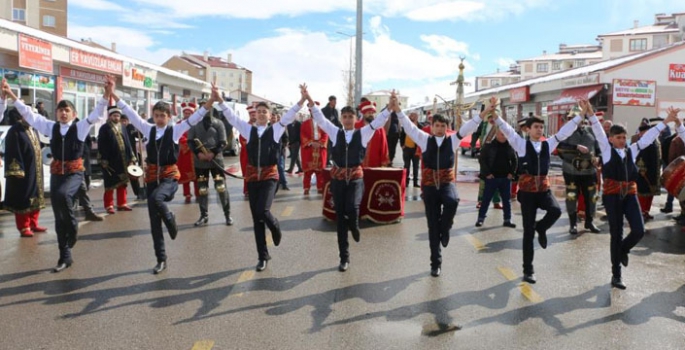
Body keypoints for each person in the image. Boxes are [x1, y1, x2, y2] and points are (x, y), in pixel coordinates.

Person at [2, 78, 109, 273]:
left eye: (67, 110)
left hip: (75, 173)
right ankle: (64, 256)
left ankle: (74, 225)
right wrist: (10, 94)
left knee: (61, 195)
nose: (63, 112)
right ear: (56, 113)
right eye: (60, 110)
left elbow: (96, 114)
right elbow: (28, 114)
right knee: (59, 217)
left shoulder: (81, 127)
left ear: (74, 114)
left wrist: (106, 94)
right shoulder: (50, 127)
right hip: (57, 173)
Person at [110, 77, 212, 274]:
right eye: (156, 115)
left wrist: (211, 102)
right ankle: (161, 259)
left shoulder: (175, 131)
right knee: (153, 222)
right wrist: (114, 94)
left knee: (158, 199)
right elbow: (130, 113)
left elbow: (196, 117)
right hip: (151, 178)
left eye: (162, 115)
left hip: (169, 176)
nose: (158, 119)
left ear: (168, 116)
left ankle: (170, 217)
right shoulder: (148, 129)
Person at [587, 101, 681, 289]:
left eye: (624, 137)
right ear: (611, 139)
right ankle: (616, 275)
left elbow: (649, 137)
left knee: (638, 230)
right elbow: (598, 131)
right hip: (612, 196)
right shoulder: (606, 151)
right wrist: (590, 115)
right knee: (616, 233)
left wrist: (667, 121)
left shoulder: (633, 150)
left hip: (630, 194)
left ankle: (623, 249)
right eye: (619, 137)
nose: (622, 140)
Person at [216, 84, 306, 272]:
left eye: (265, 111)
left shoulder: (276, 129)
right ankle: (262, 256)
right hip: (252, 177)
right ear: (255, 114)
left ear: (269, 115)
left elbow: (289, 115)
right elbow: (232, 118)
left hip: (269, 175)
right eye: (259, 111)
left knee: (263, 211)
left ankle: (275, 226)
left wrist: (302, 100)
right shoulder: (248, 130)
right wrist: (220, 100)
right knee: (256, 219)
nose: (262, 114)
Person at [493, 97, 582, 284]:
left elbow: (564, 132)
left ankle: (541, 228)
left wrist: (580, 116)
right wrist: (495, 115)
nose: (539, 130)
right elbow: (508, 131)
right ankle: (528, 270)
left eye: (541, 127)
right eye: (536, 127)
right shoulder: (520, 144)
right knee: (527, 233)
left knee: (556, 210)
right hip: (527, 192)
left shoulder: (548, 144)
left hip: (543, 190)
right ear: (528, 129)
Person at [307, 89, 391, 272]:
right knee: (340, 218)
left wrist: (389, 109)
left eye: (350, 117)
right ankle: (344, 257)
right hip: (337, 179)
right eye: (344, 116)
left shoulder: (363, 133)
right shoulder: (334, 132)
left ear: (355, 118)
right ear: (341, 119)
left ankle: (355, 226)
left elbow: (378, 122)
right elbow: (320, 119)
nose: (347, 120)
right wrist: (310, 100)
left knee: (352, 209)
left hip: (355, 179)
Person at [397, 104, 484, 277]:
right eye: (437, 125)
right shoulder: (424, 139)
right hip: (429, 186)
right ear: (432, 126)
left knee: (452, 201)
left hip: (446, 183)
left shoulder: (452, 140)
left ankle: (446, 227)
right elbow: (408, 126)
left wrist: (482, 115)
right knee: (432, 226)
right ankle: (435, 263)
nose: (439, 129)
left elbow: (468, 128)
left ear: (446, 128)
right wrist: (398, 111)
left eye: (443, 126)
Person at [3, 104, 47, 237]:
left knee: (36, 196)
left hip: (36, 169)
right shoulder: (15, 131)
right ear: (22, 115)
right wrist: (18, 170)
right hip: (23, 171)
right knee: (24, 198)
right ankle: (24, 226)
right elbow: (13, 152)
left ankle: (34, 223)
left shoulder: (34, 129)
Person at [188, 104, 234, 227]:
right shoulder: (194, 123)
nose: (206, 110)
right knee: (202, 190)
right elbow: (190, 141)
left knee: (221, 187)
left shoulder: (218, 123)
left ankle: (227, 214)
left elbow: (223, 142)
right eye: (204, 107)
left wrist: (213, 153)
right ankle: (204, 215)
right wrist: (199, 154)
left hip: (216, 160)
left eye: (208, 107)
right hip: (200, 161)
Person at [556, 112, 602, 234]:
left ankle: (590, 221)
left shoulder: (591, 131)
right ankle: (573, 224)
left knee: (592, 197)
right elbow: (559, 148)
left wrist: (598, 158)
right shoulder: (565, 131)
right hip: (571, 170)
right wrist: (576, 147)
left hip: (589, 170)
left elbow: (598, 148)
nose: (576, 120)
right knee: (572, 197)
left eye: (579, 118)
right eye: (572, 118)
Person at [476, 128, 518, 228]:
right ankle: (480, 219)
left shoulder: (510, 146)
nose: (503, 135)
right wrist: (487, 174)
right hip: (492, 178)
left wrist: (512, 173)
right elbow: (482, 160)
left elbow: (515, 160)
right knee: (486, 199)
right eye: (501, 133)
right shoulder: (489, 145)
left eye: (505, 134)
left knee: (506, 201)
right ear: (497, 134)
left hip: (505, 178)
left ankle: (507, 220)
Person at [98, 106, 136, 214]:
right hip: (110, 160)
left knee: (123, 183)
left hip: (123, 160)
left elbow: (128, 142)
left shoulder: (122, 127)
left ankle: (122, 203)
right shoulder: (104, 128)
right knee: (110, 184)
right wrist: (104, 159)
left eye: (118, 115)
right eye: (114, 115)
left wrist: (132, 157)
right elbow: (102, 145)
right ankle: (109, 205)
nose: (116, 117)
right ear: (110, 116)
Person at [634, 119, 662, 221]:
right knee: (643, 193)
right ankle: (641, 212)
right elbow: (640, 157)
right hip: (644, 172)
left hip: (654, 171)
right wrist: (642, 169)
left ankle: (646, 211)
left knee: (650, 194)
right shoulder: (643, 141)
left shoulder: (655, 140)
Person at [300, 107, 328, 195]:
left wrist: (320, 143)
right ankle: (306, 187)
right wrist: (310, 142)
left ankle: (320, 187)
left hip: (320, 148)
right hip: (309, 148)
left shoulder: (323, 123)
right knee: (308, 171)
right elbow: (302, 134)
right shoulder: (305, 123)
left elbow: (326, 134)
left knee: (320, 171)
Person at [356, 101, 390, 167]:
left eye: (372, 113)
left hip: (374, 164)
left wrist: (383, 161)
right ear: (363, 113)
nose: (371, 115)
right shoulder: (356, 126)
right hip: (357, 165)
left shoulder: (379, 128)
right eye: (369, 113)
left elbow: (384, 145)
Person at [178, 102, 199, 204]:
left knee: (197, 175)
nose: (187, 115)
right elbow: (178, 135)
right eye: (185, 113)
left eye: (189, 113)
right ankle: (187, 194)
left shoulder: (197, 124)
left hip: (195, 152)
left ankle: (198, 193)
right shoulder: (179, 124)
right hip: (185, 153)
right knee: (185, 175)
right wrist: (187, 143)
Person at [121, 114, 145, 200]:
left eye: (125, 121)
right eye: (122, 121)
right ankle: (123, 195)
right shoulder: (118, 128)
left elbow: (140, 136)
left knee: (133, 175)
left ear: (127, 121)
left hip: (131, 155)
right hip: (121, 156)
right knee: (122, 177)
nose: (123, 123)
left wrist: (139, 130)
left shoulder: (130, 127)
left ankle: (138, 192)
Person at [400, 111, 421, 188]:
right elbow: (401, 135)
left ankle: (415, 182)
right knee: (406, 166)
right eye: (411, 115)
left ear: (417, 117)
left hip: (416, 150)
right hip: (406, 149)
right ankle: (406, 182)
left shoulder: (420, 126)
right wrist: (402, 145)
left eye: (414, 115)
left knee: (416, 166)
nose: (413, 117)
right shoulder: (406, 126)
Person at [322, 95, 339, 166]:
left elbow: (337, 121)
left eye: (336, 101)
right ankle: (325, 160)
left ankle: (330, 159)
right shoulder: (324, 110)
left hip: (334, 131)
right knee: (327, 146)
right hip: (326, 131)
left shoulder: (335, 111)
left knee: (333, 146)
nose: (335, 102)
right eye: (334, 101)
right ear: (330, 101)